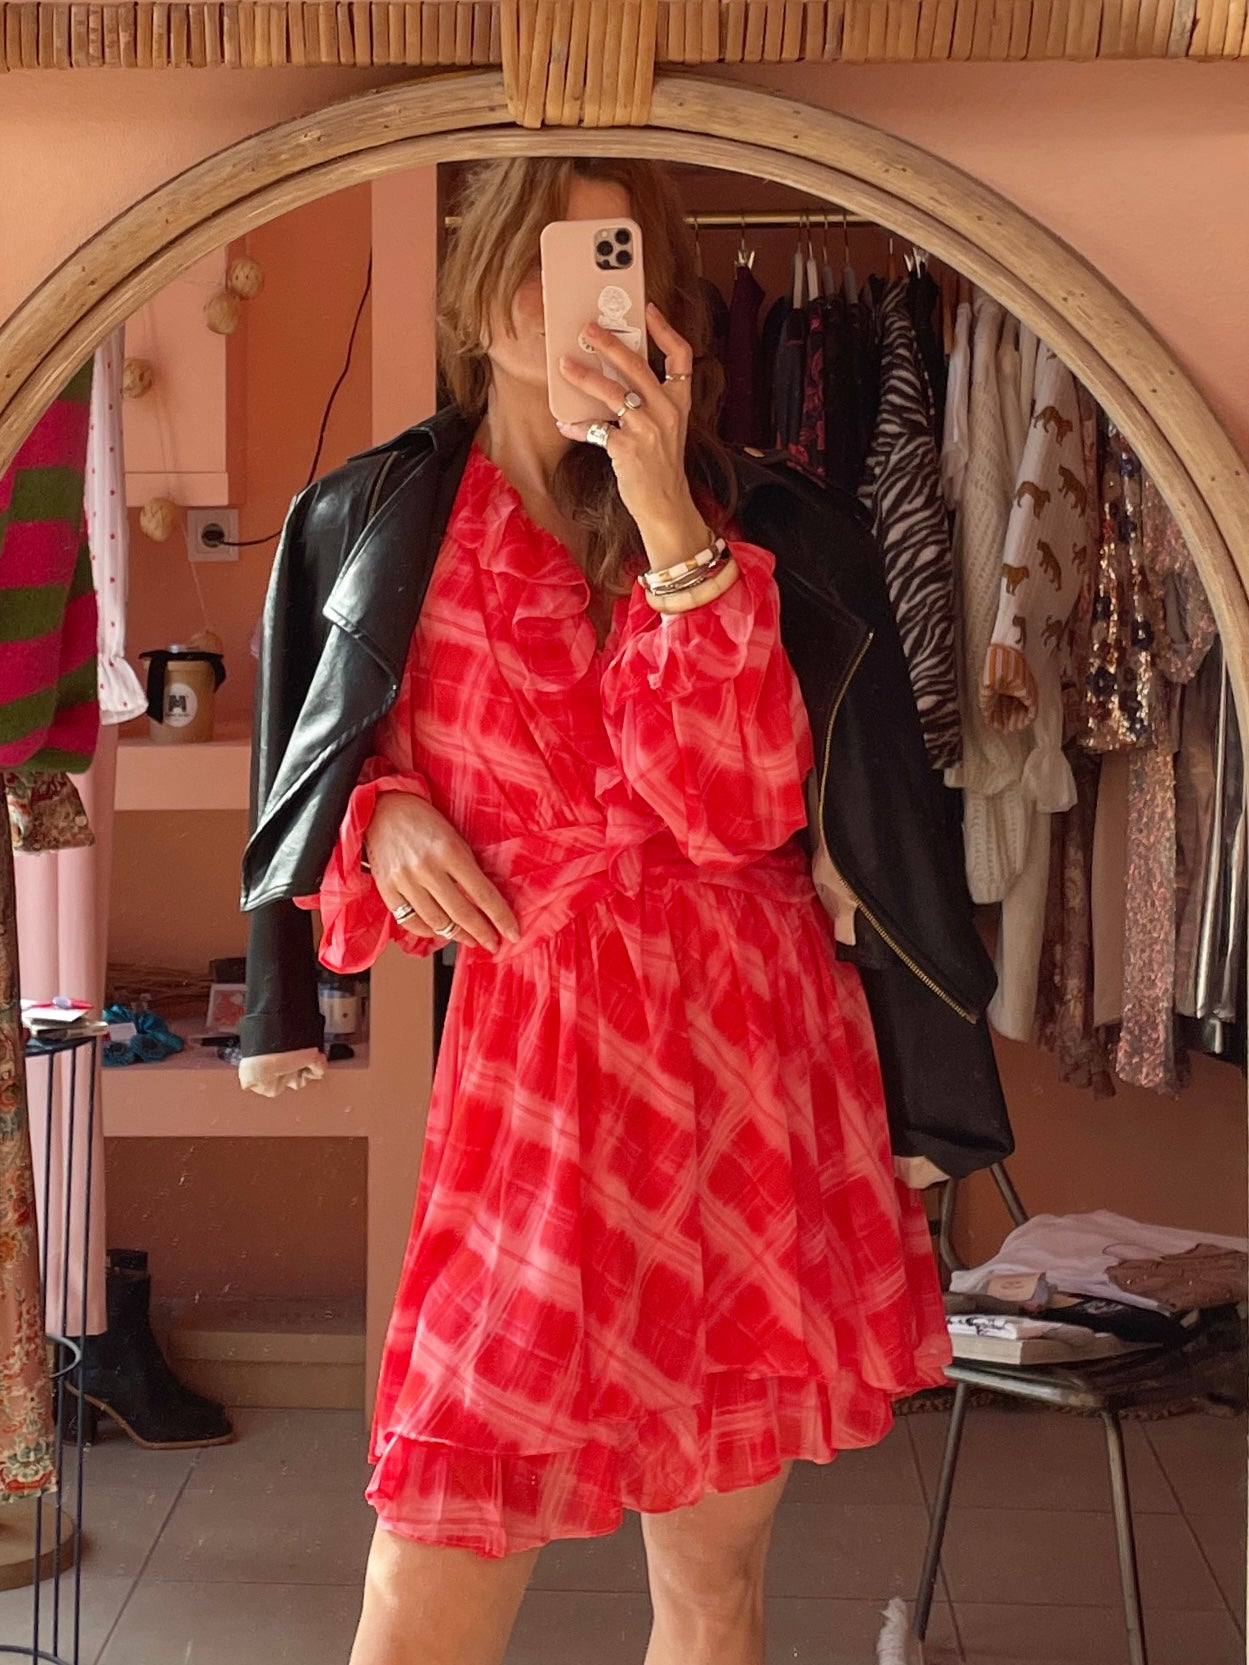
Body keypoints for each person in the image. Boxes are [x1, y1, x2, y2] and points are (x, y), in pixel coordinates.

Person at [239, 157, 1011, 1665]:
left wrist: (665, 511)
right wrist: (378, 811)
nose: (574, 297)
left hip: (742, 1060)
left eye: (614, 259)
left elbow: (733, 805)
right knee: (424, 1584)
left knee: (712, 1589)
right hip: (530, 1077)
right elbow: (324, 763)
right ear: (482, 292)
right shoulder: (380, 518)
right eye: (546, 257)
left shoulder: (753, 520)